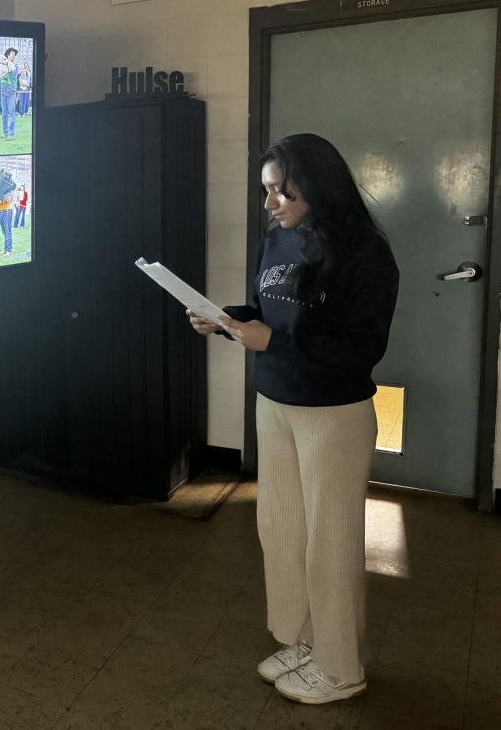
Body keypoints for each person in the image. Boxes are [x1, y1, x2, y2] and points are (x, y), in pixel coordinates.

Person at [188, 133, 399, 707]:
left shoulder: (367, 255)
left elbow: (360, 350)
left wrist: (271, 344)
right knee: (281, 531)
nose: (271, 203)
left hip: (332, 413)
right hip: (275, 402)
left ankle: (341, 668)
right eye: (267, 191)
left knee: (329, 542)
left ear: (320, 188)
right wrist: (228, 320)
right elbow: (266, 314)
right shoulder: (278, 240)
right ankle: (303, 640)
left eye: (284, 191)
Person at [0, 47, 19, 140]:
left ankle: (11, 134)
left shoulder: (15, 67)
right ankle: (5, 132)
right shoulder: (3, 66)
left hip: (11, 93)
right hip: (3, 92)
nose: (13, 55)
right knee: (4, 114)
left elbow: (12, 78)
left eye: (14, 54)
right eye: (12, 53)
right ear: (8, 55)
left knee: (11, 114)